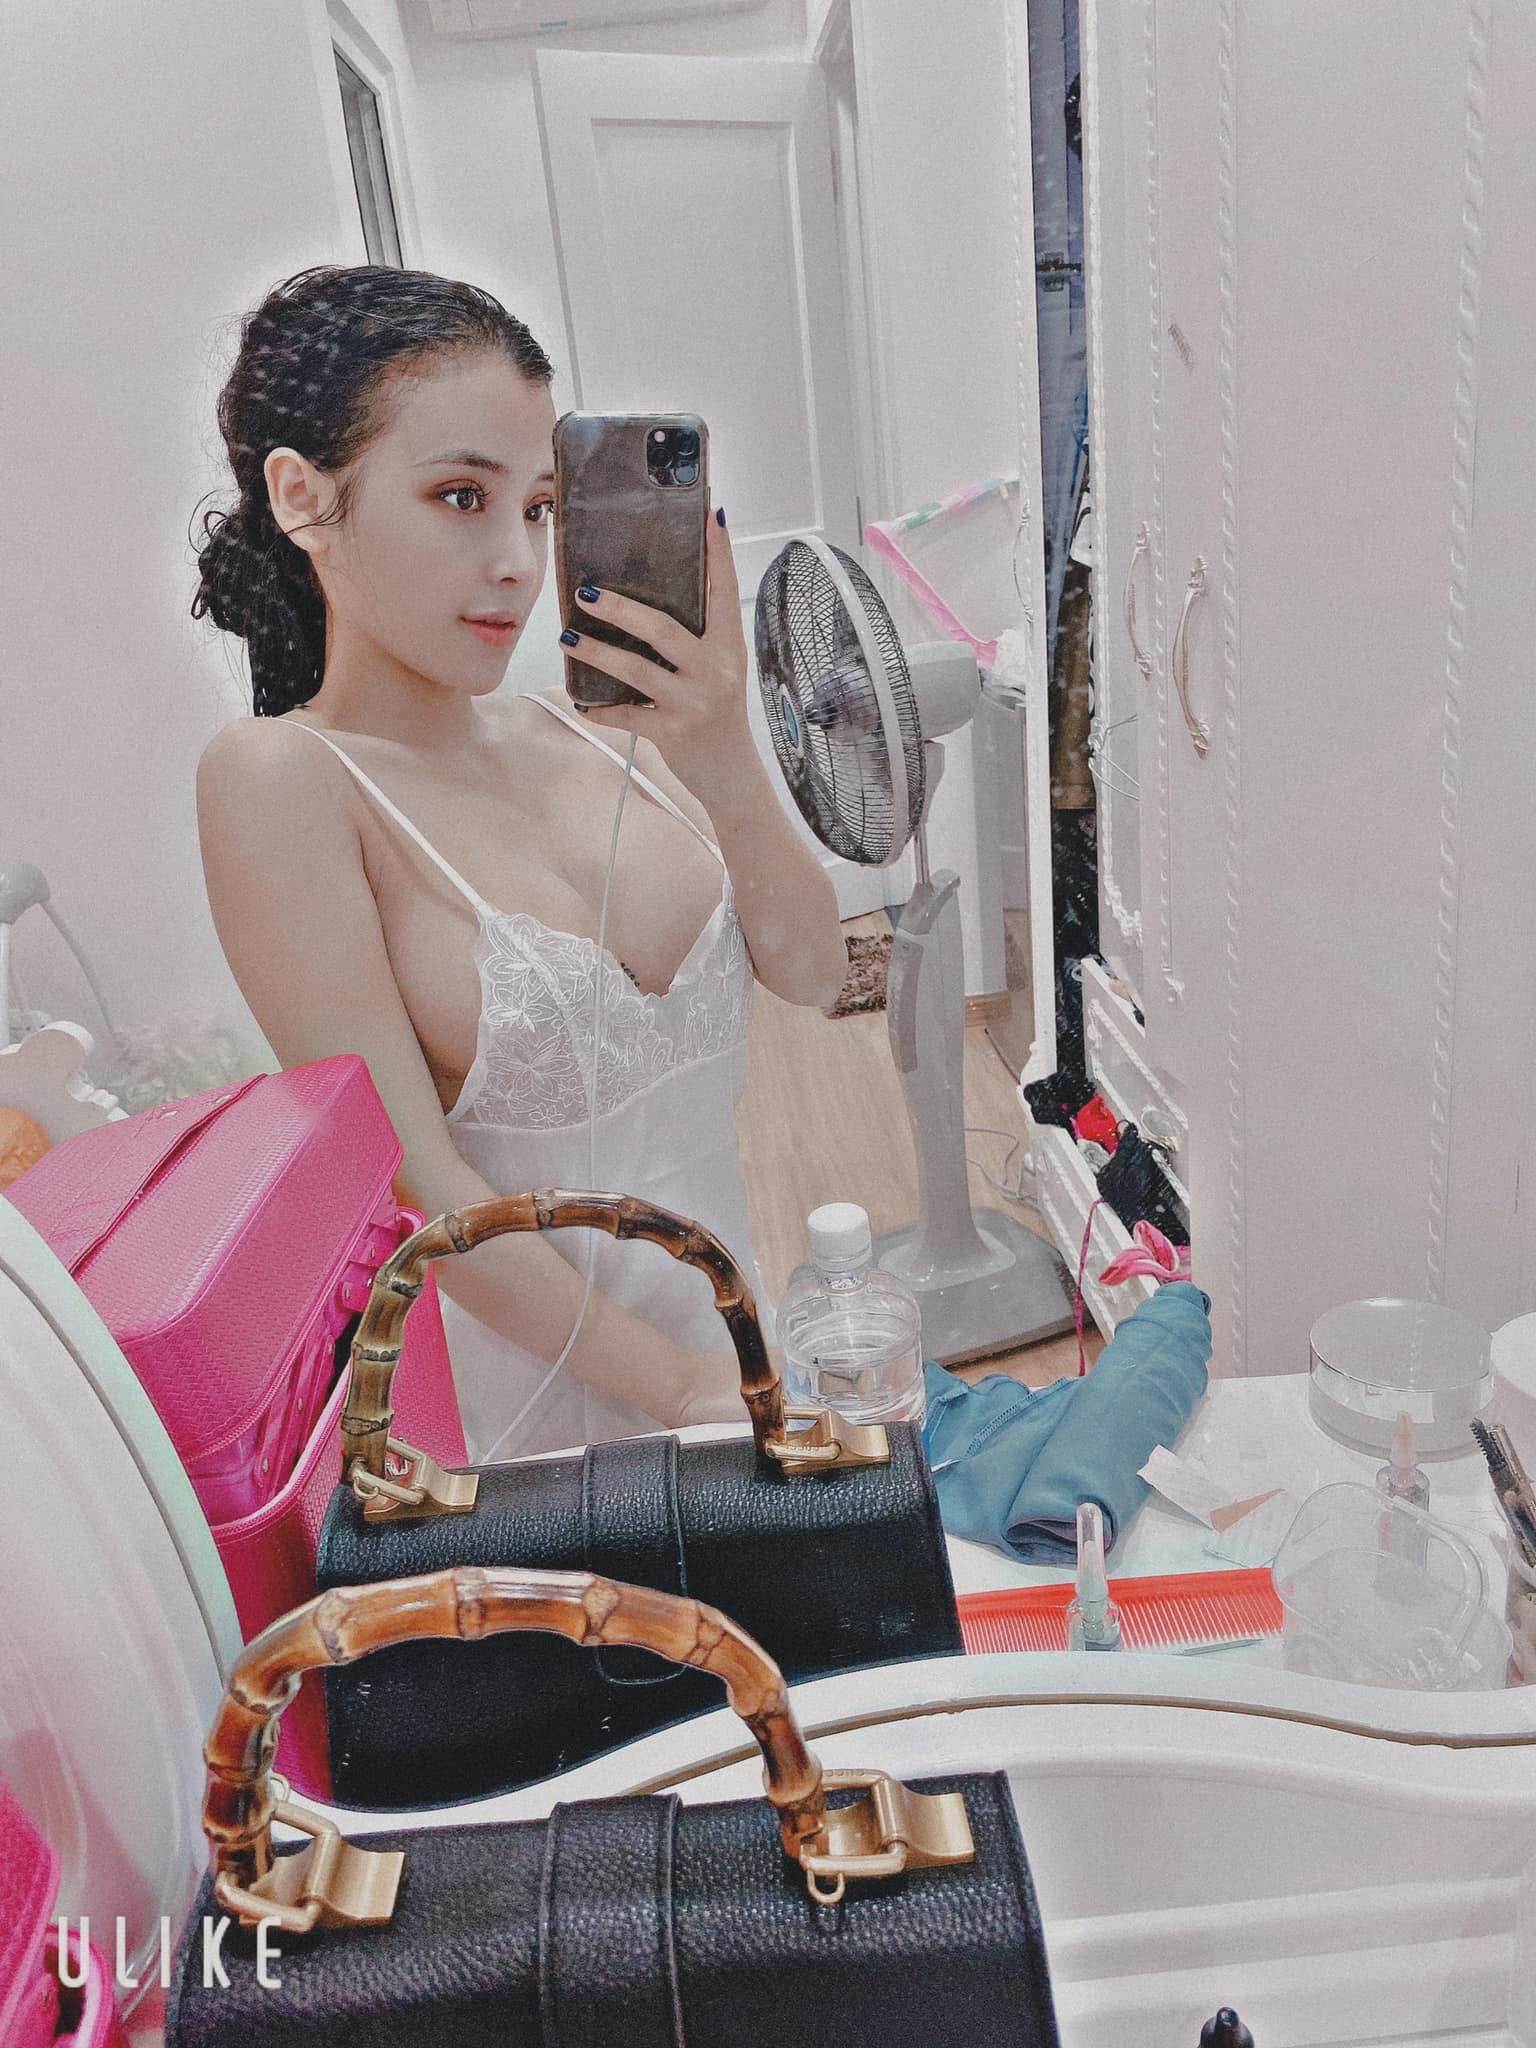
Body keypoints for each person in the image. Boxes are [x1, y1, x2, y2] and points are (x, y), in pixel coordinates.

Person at [192, 264, 847, 1460]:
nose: (516, 559)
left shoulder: (597, 732)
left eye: (540, 506)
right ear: (302, 496)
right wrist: (680, 1385)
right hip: (539, 1440)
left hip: (735, 1364)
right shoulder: (283, 779)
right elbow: (416, 1175)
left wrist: (722, 746)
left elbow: (815, 970)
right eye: (461, 496)